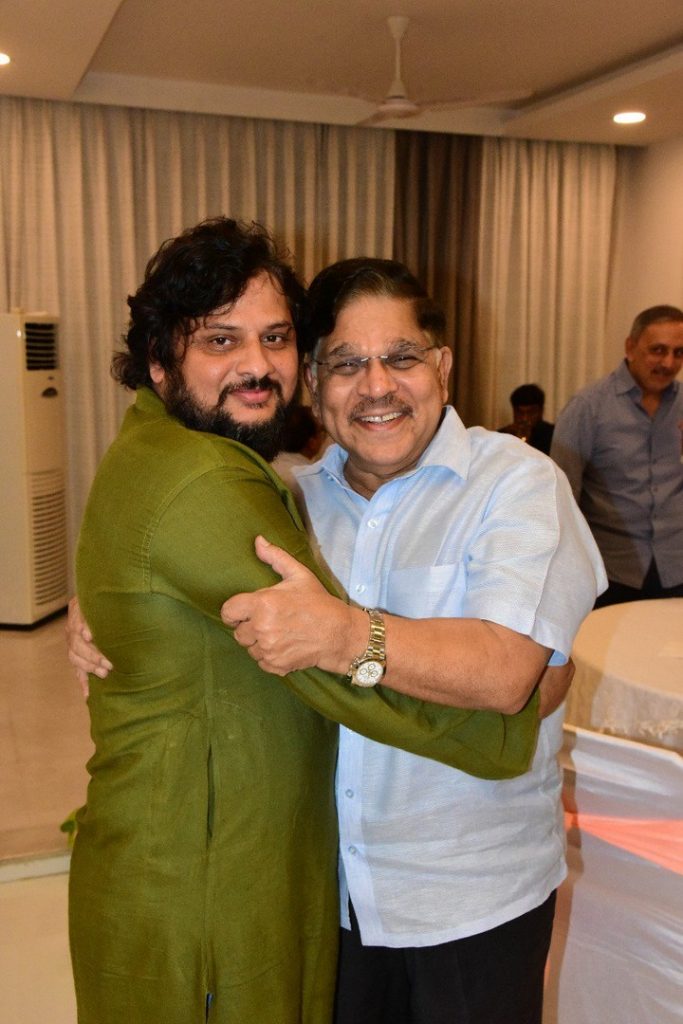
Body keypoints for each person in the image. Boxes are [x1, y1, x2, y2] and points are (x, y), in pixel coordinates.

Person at [68, 219, 549, 1024]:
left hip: (445, 890)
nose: (257, 365)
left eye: (275, 337)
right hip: (202, 885)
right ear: (158, 361)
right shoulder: (212, 481)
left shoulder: (503, 482)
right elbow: (334, 662)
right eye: (220, 340)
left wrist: (522, 670)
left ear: (442, 366)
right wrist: (510, 712)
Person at [218, 258, 606, 1024]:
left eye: (400, 357)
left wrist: (344, 635)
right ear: (312, 383)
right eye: (345, 364)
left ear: (442, 366)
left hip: (474, 898)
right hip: (331, 899)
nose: (377, 387)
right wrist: (100, 614)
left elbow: (505, 672)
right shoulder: (289, 500)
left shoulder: (516, 484)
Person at [551, 304, 683, 607]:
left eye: (678, 353)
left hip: (676, 567)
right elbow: (561, 496)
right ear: (630, 348)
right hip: (612, 570)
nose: (668, 362)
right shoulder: (587, 407)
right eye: (658, 350)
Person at [498, 382, 554, 454]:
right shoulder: (503, 436)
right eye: (519, 412)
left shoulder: (552, 436)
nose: (525, 418)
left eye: (531, 412)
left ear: (541, 411)